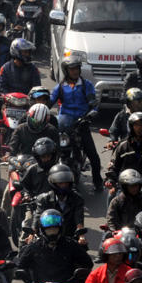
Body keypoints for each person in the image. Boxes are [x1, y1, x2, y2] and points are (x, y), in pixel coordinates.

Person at [51, 58, 102, 189]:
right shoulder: (60, 87)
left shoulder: (87, 85)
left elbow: (93, 103)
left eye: (76, 68)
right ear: (66, 71)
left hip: (82, 123)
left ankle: (98, 182)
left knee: (93, 156)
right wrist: (41, 108)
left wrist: (92, 112)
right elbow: (50, 101)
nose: (74, 71)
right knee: (52, 151)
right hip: (64, 125)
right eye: (71, 69)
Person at [13, 209, 92, 283]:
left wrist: (78, 276)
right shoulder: (33, 247)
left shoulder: (71, 245)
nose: (52, 234)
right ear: (43, 230)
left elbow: (88, 264)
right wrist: (24, 276)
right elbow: (20, 267)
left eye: (55, 230)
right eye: (49, 230)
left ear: (60, 229)